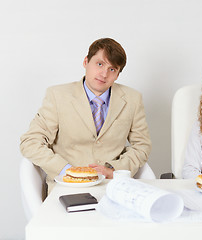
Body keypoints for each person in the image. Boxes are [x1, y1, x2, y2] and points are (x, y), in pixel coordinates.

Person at [20, 38, 152, 193]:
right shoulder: (57, 96)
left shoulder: (132, 99)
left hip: (112, 187)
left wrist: (114, 169)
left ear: (117, 75)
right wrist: (67, 170)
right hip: (67, 187)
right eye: (100, 64)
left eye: (112, 69)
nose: (104, 74)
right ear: (86, 62)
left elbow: (142, 145)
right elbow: (30, 142)